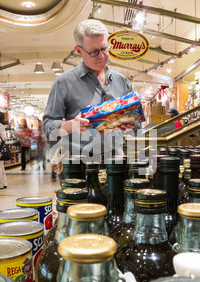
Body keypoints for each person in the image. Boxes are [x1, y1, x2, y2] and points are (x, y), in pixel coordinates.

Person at [43, 19, 135, 176]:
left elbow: (135, 125)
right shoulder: (63, 83)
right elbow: (48, 126)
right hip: (79, 167)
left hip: (117, 163)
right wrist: (71, 125)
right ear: (78, 51)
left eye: (105, 48)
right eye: (94, 52)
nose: (102, 56)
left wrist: (131, 124)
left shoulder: (122, 82)